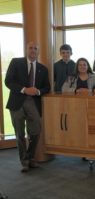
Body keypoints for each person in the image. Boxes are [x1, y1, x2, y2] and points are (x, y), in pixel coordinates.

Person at [5, 41, 51, 172]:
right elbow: (8, 81)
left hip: (33, 102)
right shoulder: (16, 62)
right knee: (19, 134)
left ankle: (30, 156)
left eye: (35, 48)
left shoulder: (43, 68)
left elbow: (47, 87)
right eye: (30, 48)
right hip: (17, 102)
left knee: (36, 130)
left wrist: (37, 91)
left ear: (38, 51)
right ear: (26, 49)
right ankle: (24, 161)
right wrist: (24, 89)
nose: (33, 50)